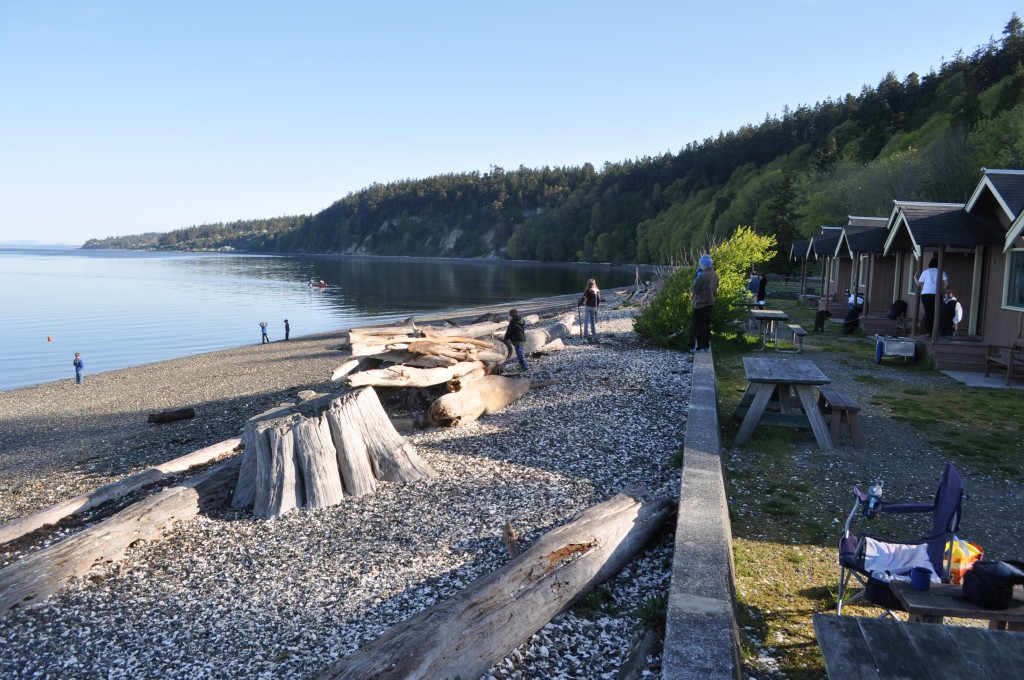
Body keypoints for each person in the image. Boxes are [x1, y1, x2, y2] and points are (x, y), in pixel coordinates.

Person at [690, 254, 719, 352]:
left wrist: (696, 278)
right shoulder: (715, 274)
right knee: (706, 325)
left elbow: (694, 289)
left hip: (700, 304)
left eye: (701, 264)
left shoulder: (703, 275)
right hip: (710, 303)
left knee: (699, 326)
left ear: (704, 265)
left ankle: (700, 347)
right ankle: (706, 346)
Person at [917, 256, 948, 334]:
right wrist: (942, 290)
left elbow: (919, 284)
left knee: (928, 312)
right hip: (936, 294)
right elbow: (946, 284)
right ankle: (936, 331)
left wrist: (914, 277)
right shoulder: (941, 271)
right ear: (938, 264)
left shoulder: (926, 272)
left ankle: (928, 332)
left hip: (926, 294)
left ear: (929, 264)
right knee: (936, 312)